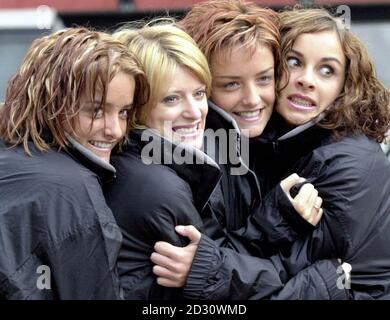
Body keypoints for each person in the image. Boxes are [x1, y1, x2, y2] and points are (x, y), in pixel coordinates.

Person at [154, 5, 390, 300]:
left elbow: (295, 276)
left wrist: (209, 268)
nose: (306, 79)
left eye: (327, 70)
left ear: (346, 85)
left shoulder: (349, 163)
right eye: (294, 62)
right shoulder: (265, 140)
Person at [106, 18, 348, 300]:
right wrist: (324, 284)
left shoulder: (171, 163)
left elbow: (222, 261)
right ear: (138, 105)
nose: (195, 112)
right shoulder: (159, 187)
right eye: (171, 99)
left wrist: (276, 218)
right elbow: (217, 296)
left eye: (198, 94)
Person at [0, 27, 149, 299]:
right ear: (51, 102)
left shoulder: (10, 151)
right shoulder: (74, 191)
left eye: (124, 112)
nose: (115, 130)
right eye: (96, 111)